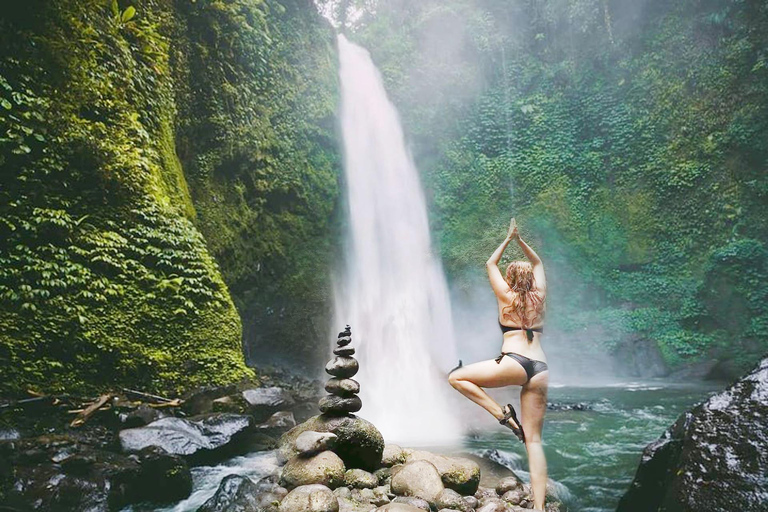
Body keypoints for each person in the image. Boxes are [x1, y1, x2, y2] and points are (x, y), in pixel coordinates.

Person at [448, 218, 549, 511]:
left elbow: (490, 264)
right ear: (530, 278)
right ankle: (540, 508)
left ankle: (504, 416)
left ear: (510, 278)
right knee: (535, 444)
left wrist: (507, 239)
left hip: (513, 363)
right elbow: (539, 262)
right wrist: (521, 242)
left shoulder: (505, 295)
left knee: (456, 377)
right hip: (541, 368)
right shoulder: (539, 298)